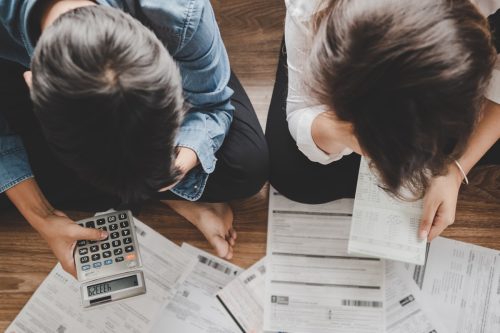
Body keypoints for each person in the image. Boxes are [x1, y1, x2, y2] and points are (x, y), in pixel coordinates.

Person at [0, 0, 268, 276]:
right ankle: (168, 194)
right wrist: (40, 216)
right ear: (32, 84)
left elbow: (211, 103)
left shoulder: (178, 12)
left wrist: (179, 164)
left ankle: (153, 190)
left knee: (245, 164)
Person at [266, 0, 500, 242]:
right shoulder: (312, 10)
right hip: (334, 35)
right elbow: (300, 111)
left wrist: (456, 169)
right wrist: (349, 134)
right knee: (290, 172)